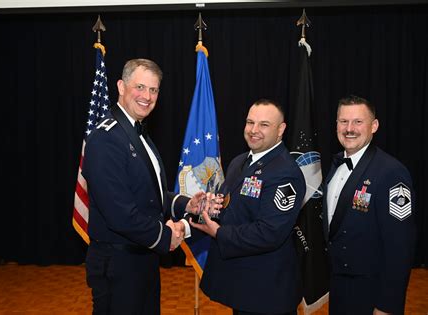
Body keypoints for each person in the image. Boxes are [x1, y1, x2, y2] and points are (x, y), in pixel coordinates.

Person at [82, 58, 202, 315]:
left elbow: (148, 194)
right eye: (140, 87)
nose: (147, 96)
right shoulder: (105, 139)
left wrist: (184, 203)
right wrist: (167, 236)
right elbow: (120, 214)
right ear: (121, 87)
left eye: (154, 90)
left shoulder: (136, 132)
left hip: (141, 258)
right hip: (118, 264)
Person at [190, 99, 306, 315]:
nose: (254, 130)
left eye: (264, 125)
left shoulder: (286, 172)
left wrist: (220, 232)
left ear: (280, 130)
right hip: (244, 287)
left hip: (267, 293)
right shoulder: (240, 161)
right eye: (250, 122)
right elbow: (231, 206)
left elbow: (269, 232)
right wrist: (211, 208)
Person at [322, 95, 416, 315]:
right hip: (339, 288)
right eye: (343, 121)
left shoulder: (391, 173)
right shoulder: (335, 165)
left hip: (371, 293)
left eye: (357, 122)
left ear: (374, 126)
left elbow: (400, 246)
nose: (349, 128)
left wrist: (387, 305)